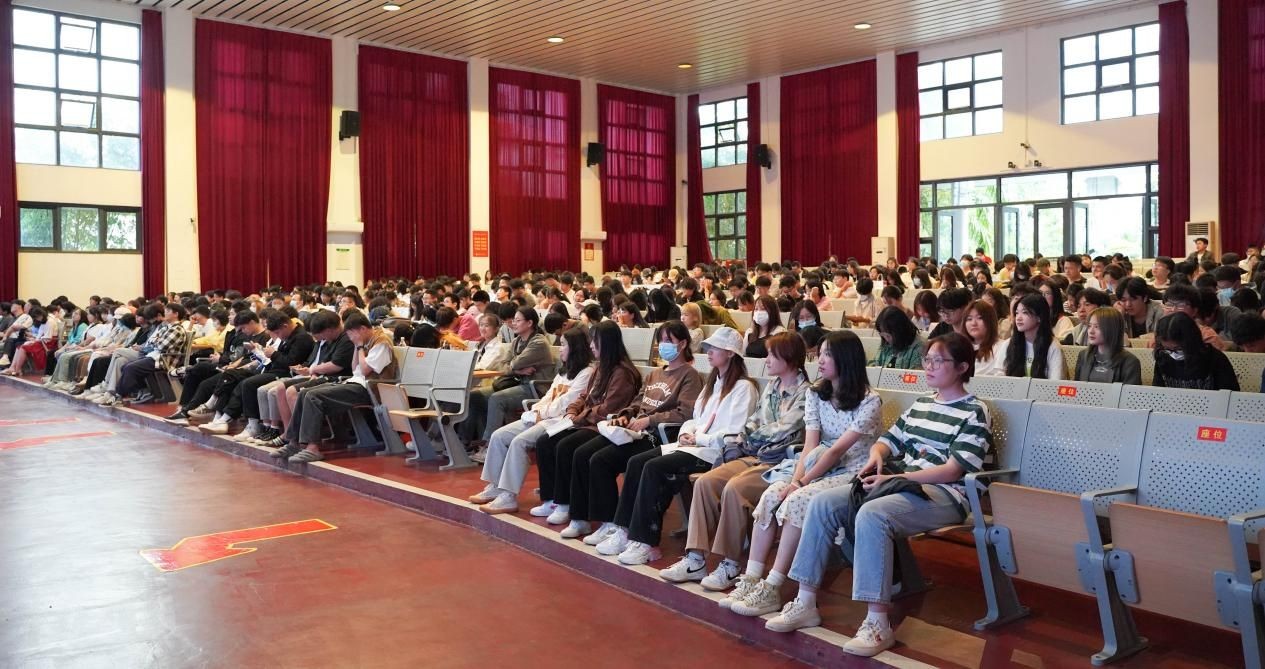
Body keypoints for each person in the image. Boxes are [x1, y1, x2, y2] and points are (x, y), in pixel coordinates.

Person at [772, 333, 992, 657]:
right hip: (901, 484)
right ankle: (805, 602)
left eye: (938, 361)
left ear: (962, 367)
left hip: (944, 494)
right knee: (821, 503)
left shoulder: (975, 411)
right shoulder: (922, 404)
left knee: (872, 514)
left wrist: (896, 477)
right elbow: (887, 441)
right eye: (927, 359)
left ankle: (877, 624)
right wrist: (877, 455)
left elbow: (952, 470)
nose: (929, 366)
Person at [727, 331, 883, 619]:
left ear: (847, 359)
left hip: (853, 472)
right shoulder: (816, 393)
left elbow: (837, 451)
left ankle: (773, 586)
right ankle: (751, 577)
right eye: (819, 353)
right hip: (816, 464)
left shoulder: (870, 401)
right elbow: (811, 445)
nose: (819, 360)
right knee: (773, 493)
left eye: (827, 355)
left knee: (798, 499)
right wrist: (793, 480)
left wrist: (800, 483)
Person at [589, 327, 756, 565]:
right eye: (708, 348)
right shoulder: (712, 385)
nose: (709, 352)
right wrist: (687, 432)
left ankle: (646, 541)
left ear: (730, 353)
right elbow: (694, 418)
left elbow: (734, 432)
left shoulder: (743, 388)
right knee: (637, 462)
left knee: (655, 468)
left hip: (713, 452)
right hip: (692, 445)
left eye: (715, 348)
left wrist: (699, 438)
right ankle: (624, 530)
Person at [659, 333, 810, 590]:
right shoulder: (772, 387)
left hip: (780, 461)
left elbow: (784, 429)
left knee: (734, 489)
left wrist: (747, 438)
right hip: (753, 454)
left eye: (772, 355)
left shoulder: (807, 393)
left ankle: (730, 564)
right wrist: (743, 438)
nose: (766, 360)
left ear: (789, 358)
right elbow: (754, 421)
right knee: (706, 483)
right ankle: (695, 559)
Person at [552, 321, 703, 541]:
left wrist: (650, 419)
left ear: (682, 344)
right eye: (661, 340)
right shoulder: (654, 374)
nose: (663, 345)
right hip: (634, 430)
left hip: (658, 435)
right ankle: (585, 518)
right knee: (585, 453)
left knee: (603, 460)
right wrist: (626, 414)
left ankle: (612, 523)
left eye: (668, 341)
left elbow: (685, 413)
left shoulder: (690, 376)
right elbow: (638, 401)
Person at [529, 321, 645, 526]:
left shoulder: (623, 373)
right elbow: (584, 396)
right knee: (545, 441)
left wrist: (580, 416)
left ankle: (572, 509)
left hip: (601, 425)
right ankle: (551, 499)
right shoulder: (599, 368)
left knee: (567, 447)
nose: (591, 345)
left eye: (595, 341)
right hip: (584, 421)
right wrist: (573, 410)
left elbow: (609, 408)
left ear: (607, 343)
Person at [469, 327, 595, 514]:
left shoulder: (587, 372)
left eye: (563, 345)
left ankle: (508, 496)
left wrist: (541, 414)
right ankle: (495, 485)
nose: (560, 349)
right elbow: (549, 395)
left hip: (559, 421)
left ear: (575, 348)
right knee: (499, 436)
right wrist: (535, 410)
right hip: (542, 415)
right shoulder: (564, 371)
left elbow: (567, 402)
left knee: (519, 442)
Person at [272, 311, 400, 462]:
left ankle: (312, 449)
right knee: (304, 393)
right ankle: (294, 442)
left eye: (352, 334)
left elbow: (365, 371)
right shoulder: (365, 341)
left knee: (313, 396)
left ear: (362, 329)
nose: (350, 338)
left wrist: (359, 346)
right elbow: (355, 368)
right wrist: (357, 346)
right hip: (354, 382)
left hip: (370, 389)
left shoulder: (381, 342)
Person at [464, 306, 556, 453]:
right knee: (474, 396)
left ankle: (488, 446)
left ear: (529, 323)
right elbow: (502, 366)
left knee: (496, 399)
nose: (514, 323)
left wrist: (513, 367)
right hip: (516, 382)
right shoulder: (517, 341)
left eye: (518, 320)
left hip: (535, 388)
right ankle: (466, 442)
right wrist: (518, 370)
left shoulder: (538, 342)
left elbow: (514, 363)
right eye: (514, 320)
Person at [1152, 313, 1239, 390]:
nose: (1173, 354)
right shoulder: (1163, 357)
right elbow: (1157, 393)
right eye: (1167, 349)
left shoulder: (1216, 360)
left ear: (1192, 342)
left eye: (1178, 349)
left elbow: (1230, 394)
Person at [1003, 294, 1065, 380]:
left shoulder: (1053, 347)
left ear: (1039, 317)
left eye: (1025, 312)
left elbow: (1055, 383)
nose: (1018, 318)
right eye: (1017, 313)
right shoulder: (1008, 344)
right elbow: (999, 377)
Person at [1074, 308, 1142, 384]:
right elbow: (1077, 387)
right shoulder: (1083, 356)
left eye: (1097, 327)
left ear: (1112, 329)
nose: (1091, 331)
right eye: (1089, 326)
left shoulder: (1130, 362)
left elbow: (1131, 391)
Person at [964, 300, 1006, 377]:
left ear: (990, 321)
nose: (973, 323)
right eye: (969, 319)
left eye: (980, 318)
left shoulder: (1002, 346)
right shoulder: (961, 347)